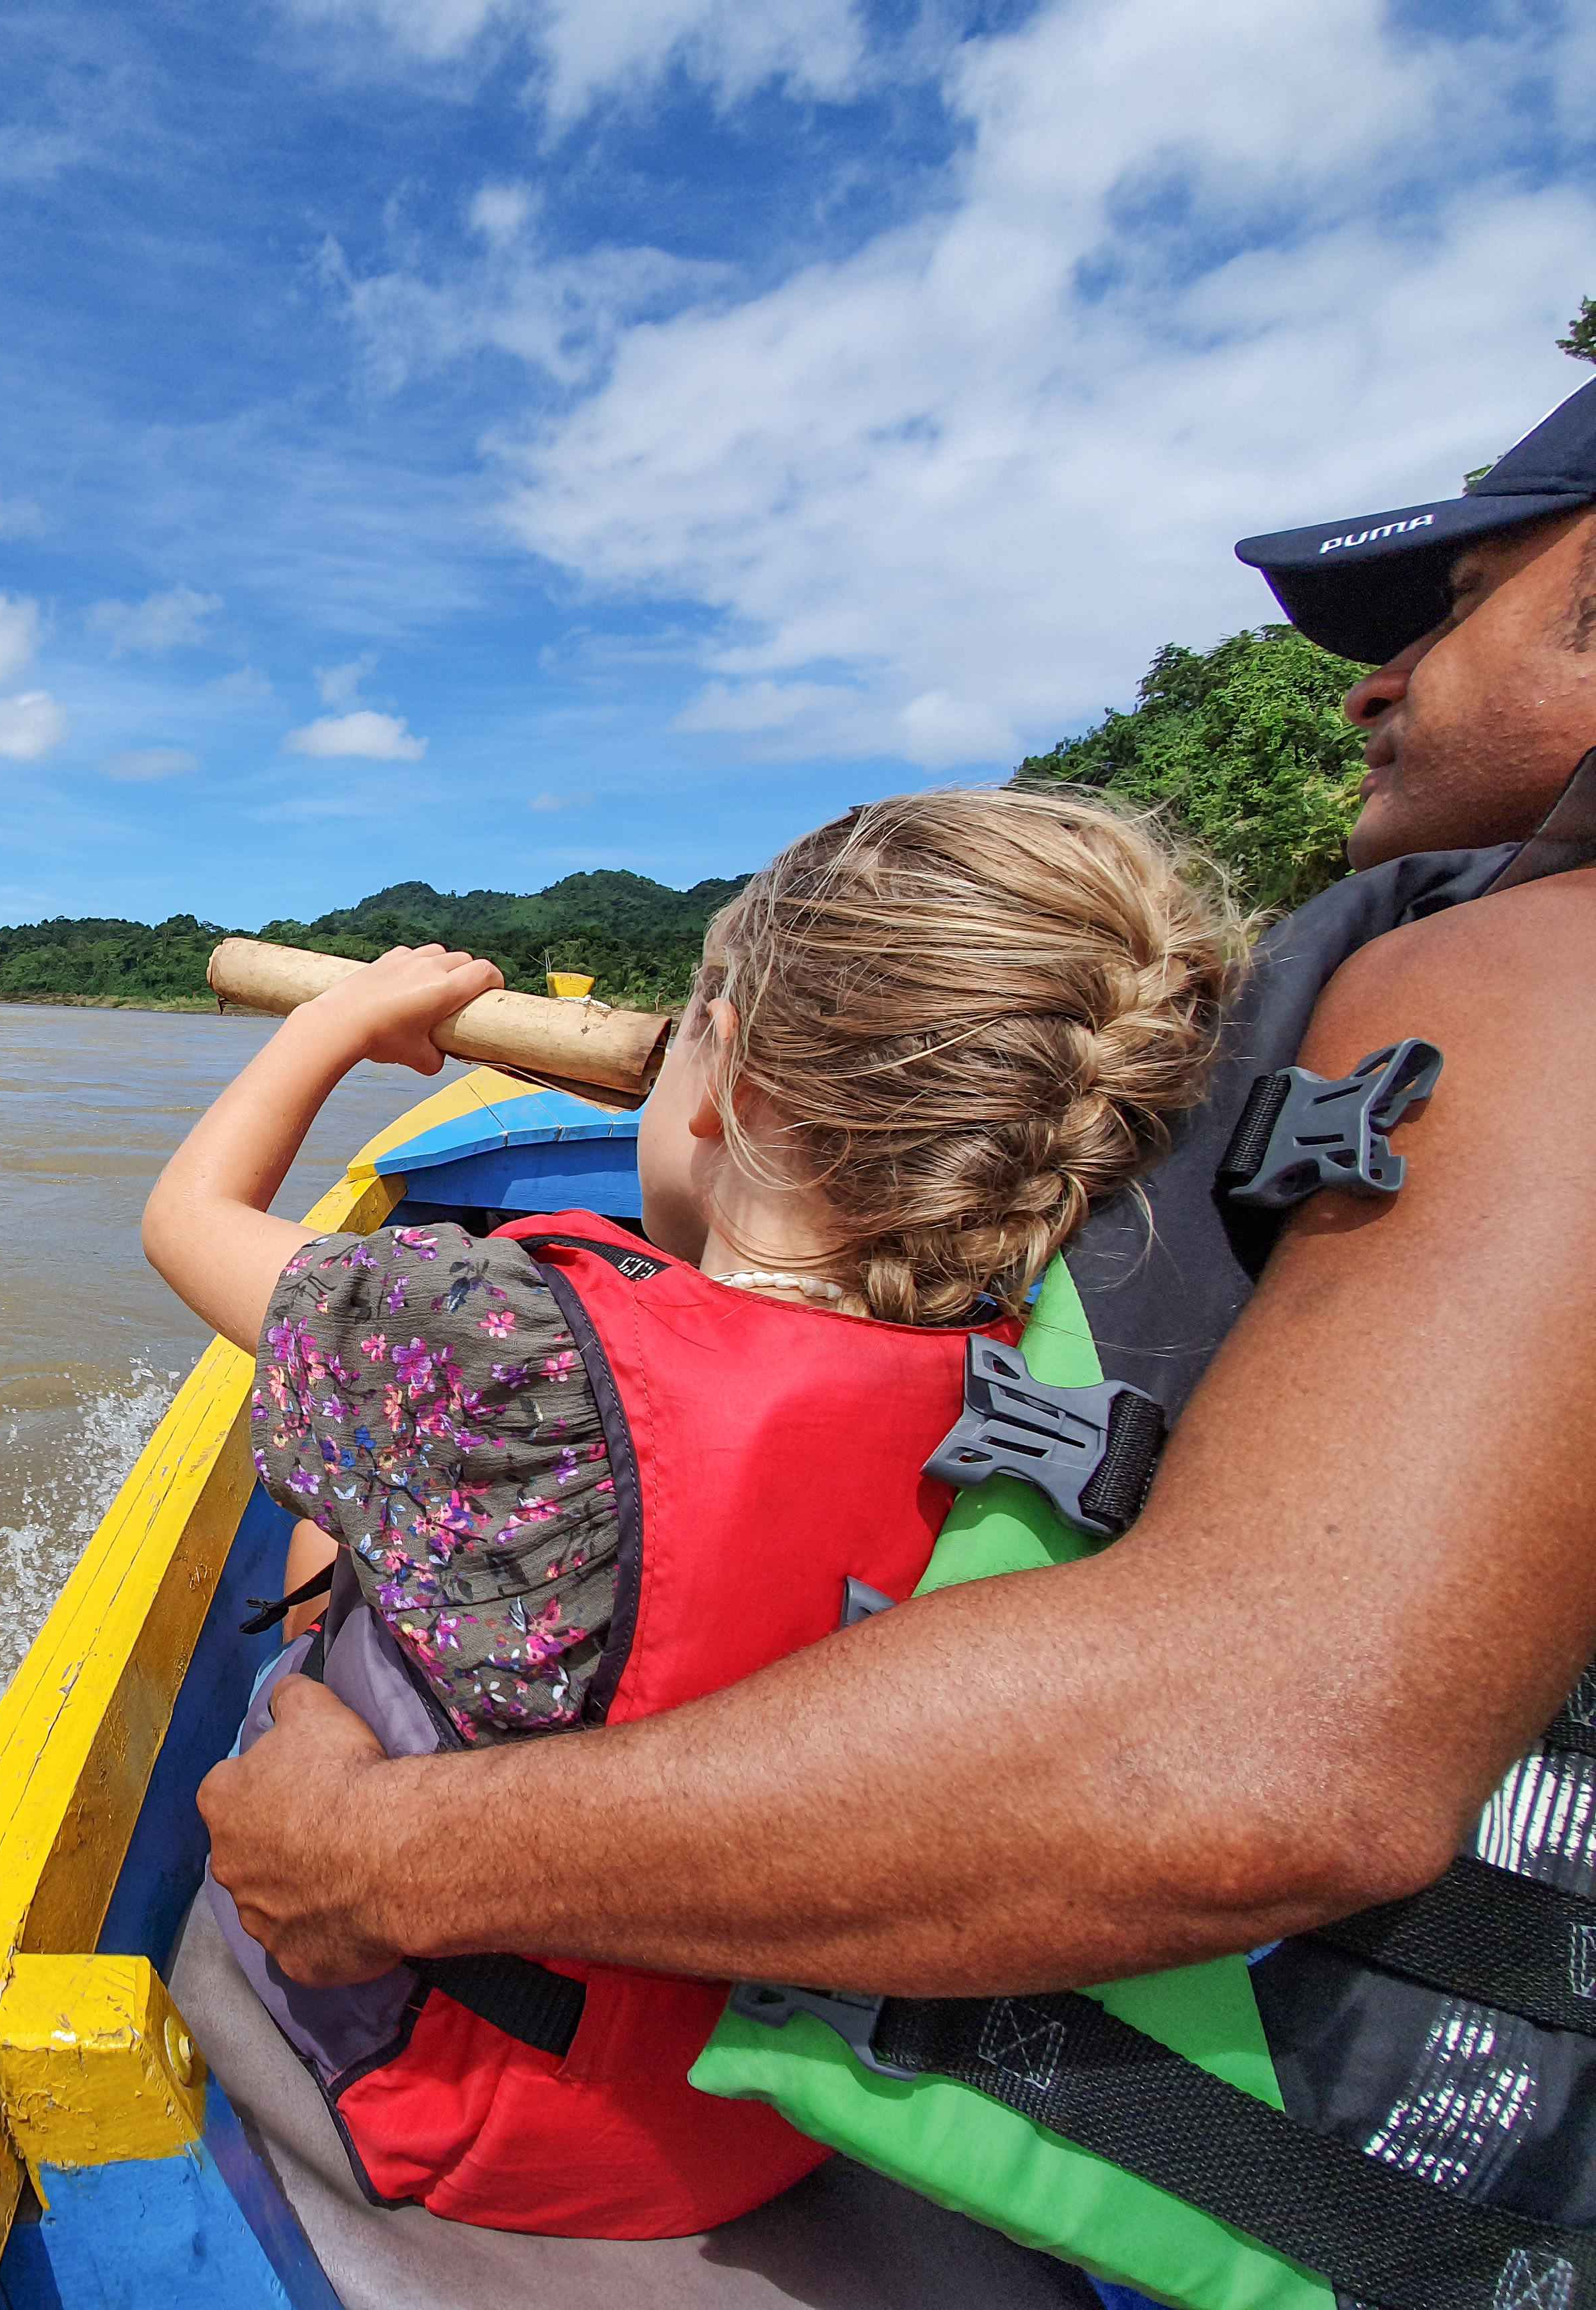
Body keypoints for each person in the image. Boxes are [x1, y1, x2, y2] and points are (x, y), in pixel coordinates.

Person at [190, 374, 1596, 2307]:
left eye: (1469, 602)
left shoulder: (1545, 976)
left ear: (732, 1084)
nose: (1378, 681)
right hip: (832, 2085)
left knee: (323, 1558)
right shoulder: (1014, 1330)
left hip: (509, 2112)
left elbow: (1267, 1763)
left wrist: (376, 1858)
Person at [144, 790, 1242, 2242]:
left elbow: (188, 1217)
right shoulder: (1045, 1404)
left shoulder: (498, 1347)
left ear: (722, 1078)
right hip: (760, 2125)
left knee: (326, 1535)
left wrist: (332, 1024)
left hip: (448, 2106)